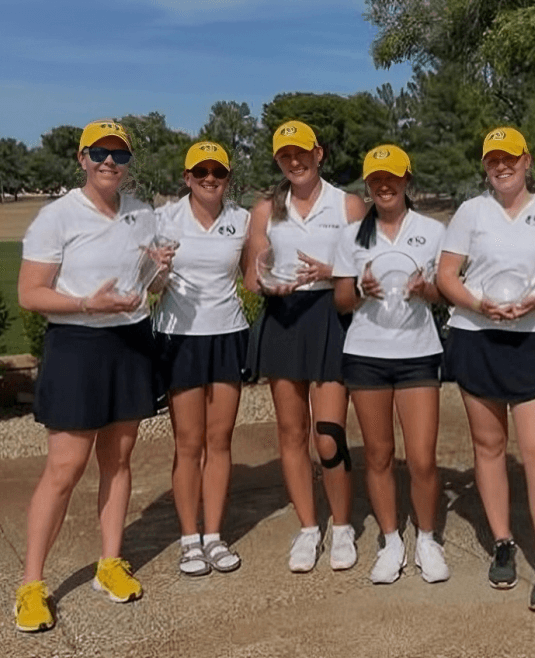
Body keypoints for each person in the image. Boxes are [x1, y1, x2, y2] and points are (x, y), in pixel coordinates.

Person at [15, 120, 171, 632]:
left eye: (119, 154)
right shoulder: (57, 216)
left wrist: (160, 269)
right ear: (82, 158)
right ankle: (31, 585)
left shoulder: (142, 214)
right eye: (99, 152)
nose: (109, 162)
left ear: (127, 163)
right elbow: (30, 293)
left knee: (119, 460)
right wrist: (87, 304)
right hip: (77, 346)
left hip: (130, 342)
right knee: (65, 468)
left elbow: (150, 284)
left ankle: (109, 563)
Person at [436, 127, 535, 612]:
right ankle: (502, 542)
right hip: (477, 336)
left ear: (526, 160)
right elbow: (446, 276)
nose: (501, 166)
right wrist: (479, 304)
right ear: (485, 166)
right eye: (493, 159)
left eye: (509, 158)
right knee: (489, 447)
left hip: (532, 339)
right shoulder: (470, 212)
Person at [245, 120, 366, 572]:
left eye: (302, 153)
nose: (294, 161)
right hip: (284, 317)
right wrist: (267, 284)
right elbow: (252, 274)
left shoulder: (348, 203)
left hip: (331, 315)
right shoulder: (265, 209)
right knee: (291, 432)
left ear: (319, 154)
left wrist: (332, 272)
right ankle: (309, 527)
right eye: (285, 155)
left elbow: (367, 268)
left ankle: (342, 526)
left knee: (328, 433)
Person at [332, 145, 448, 584]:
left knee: (422, 458)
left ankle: (427, 539)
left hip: (418, 352)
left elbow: (445, 291)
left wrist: (426, 290)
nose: (385, 185)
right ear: (367, 185)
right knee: (379, 455)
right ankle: (391, 540)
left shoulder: (432, 231)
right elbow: (341, 301)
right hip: (366, 353)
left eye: (392, 177)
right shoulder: (352, 236)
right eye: (376, 179)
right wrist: (361, 290)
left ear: (406, 180)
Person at [153, 142, 250, 576]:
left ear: (228, 177)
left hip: (228, 333)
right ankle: (189, 540)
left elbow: (254, 276)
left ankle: (214, 535)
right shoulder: (165, 219)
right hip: (180, 338)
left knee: (220, 439)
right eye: (201, 171)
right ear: (187, 177)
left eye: (218, 172)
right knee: (189, 442)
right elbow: (151, 285)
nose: (210, 178)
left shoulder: (242, 220)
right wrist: (158, 270)